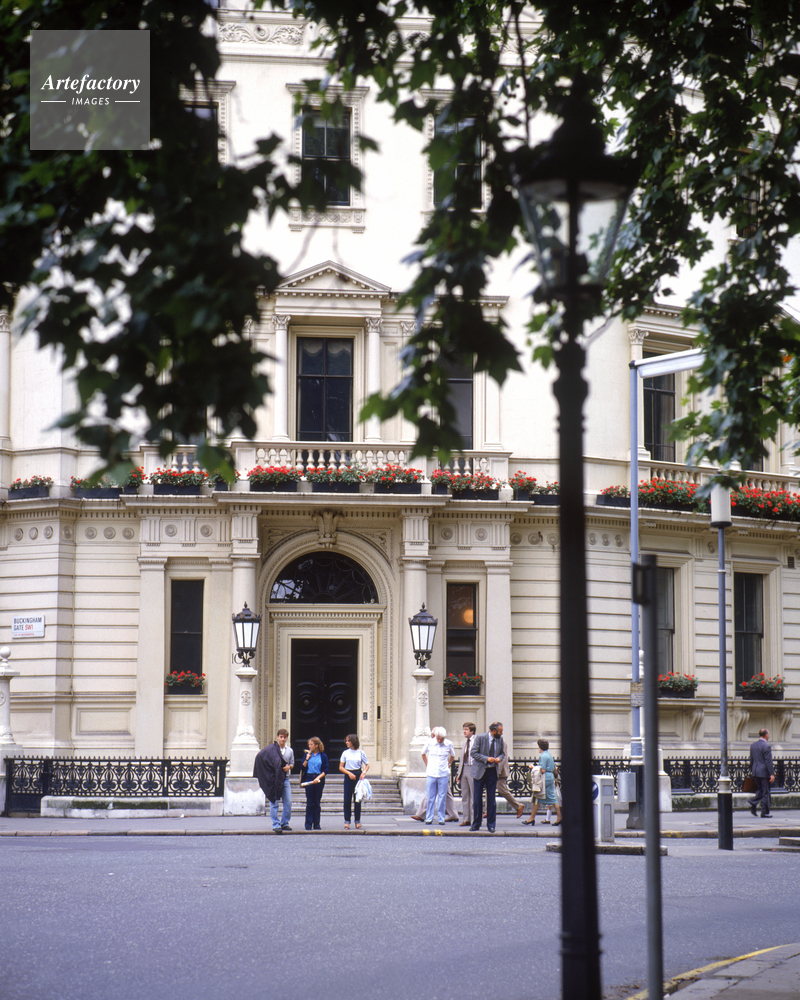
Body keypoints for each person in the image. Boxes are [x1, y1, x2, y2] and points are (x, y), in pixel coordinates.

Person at [470, 722, 505, 832]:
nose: (502, 733)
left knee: (491, 799)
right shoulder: (481, 738)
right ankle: (476, 823)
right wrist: (487, 759)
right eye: (500, 731)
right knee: (477, 799)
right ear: (494, 731)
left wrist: (499, 758)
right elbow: (473, 753)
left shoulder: (499, 739)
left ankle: (491, 824)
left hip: (492, 771)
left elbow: (502, 753)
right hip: (480, 771)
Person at [253, 736, 288, 833]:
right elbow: (260, 757)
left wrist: (289, 767)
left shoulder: (289, 751)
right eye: (281, 737)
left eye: (285, 737)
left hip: (285, 779)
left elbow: (292, 763)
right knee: (274, 802)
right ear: (277, 737)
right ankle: (276, 824)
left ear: (287, 738)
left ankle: (284, 823)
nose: (283, 739)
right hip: (274, 780)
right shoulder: (271, 749)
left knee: (288, 803)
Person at [523, 738, 562, 826]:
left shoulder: (543, 756)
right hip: (550, 777)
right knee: (552, 798)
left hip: (545, 778)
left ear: (540, 747)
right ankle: (559, 817)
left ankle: (531, 818)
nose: (538, 748)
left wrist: (533, 767)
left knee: (537, 797)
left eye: (538, 746)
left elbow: (543, 770)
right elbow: (554, 768)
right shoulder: (549, 755)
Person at [421, 726, 456, 825]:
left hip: (443, 773)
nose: (440, 740)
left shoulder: (449, 743)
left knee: (442, 797)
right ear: (435, 736)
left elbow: (452, 755)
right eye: (438, 738)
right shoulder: (430, 742)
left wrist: (449, 764)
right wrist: (427, 763)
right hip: (431, 773)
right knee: (430, 797)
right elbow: (423, 753)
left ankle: (441, 818)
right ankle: (429, 817)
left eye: (441, 739)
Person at [339, 733, 369, 829]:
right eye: (346, 741)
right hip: (348, 775)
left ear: (353, 741)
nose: (347, 742)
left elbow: (367, 764)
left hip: (358, 775)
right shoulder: (345, 753)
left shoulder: (361, 752)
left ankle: (357, 821)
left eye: (349, 741)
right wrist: (349, 773)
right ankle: (347, 821)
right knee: (347, 799)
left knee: (357, 799)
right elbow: (341, 767)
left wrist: (363, 772)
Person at [494, 733, 525, 819]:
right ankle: (487, 810)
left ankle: (518, 806)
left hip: (500, 771)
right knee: (489, 790)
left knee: (502, 790)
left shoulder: (501, 742)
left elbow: (503, 757)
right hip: (492, 770)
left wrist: (498, 770)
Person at [300, 736, 328, 830]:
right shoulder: (307, 754)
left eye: (311, 744)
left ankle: (316, 823)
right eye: (309, 744)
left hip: (319, 778)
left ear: (316, 745)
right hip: (309, 777)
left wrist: (318, 778)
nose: (309, 746)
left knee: (317, 802)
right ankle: (308, 823)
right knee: (309, 802)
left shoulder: (323, 756)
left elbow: (325, 770)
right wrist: (306, 759)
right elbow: (302, 767)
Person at [748, 728, 775, 818]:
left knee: (760, 790)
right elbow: (768, 761)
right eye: (768, 734)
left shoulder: (753, 745)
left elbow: (751, 759)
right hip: (763, 772)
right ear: (766, 735)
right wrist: (771, 774)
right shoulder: (766, 746)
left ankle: (753, 803)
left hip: (755, 771)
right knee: (766, 792)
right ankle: (764, 812)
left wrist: (753, 770)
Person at [457, 722, 476, 826]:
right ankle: (466, 819)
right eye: (463, 729)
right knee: (465, 795)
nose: (464, 731)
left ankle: (474, 819)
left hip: (473, 768)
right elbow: (461, 759)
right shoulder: (465, 743)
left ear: (472, 731)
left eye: (466, 730)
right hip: (464, 768)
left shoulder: (477, 741)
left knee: (474, 795)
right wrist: (459, 773)